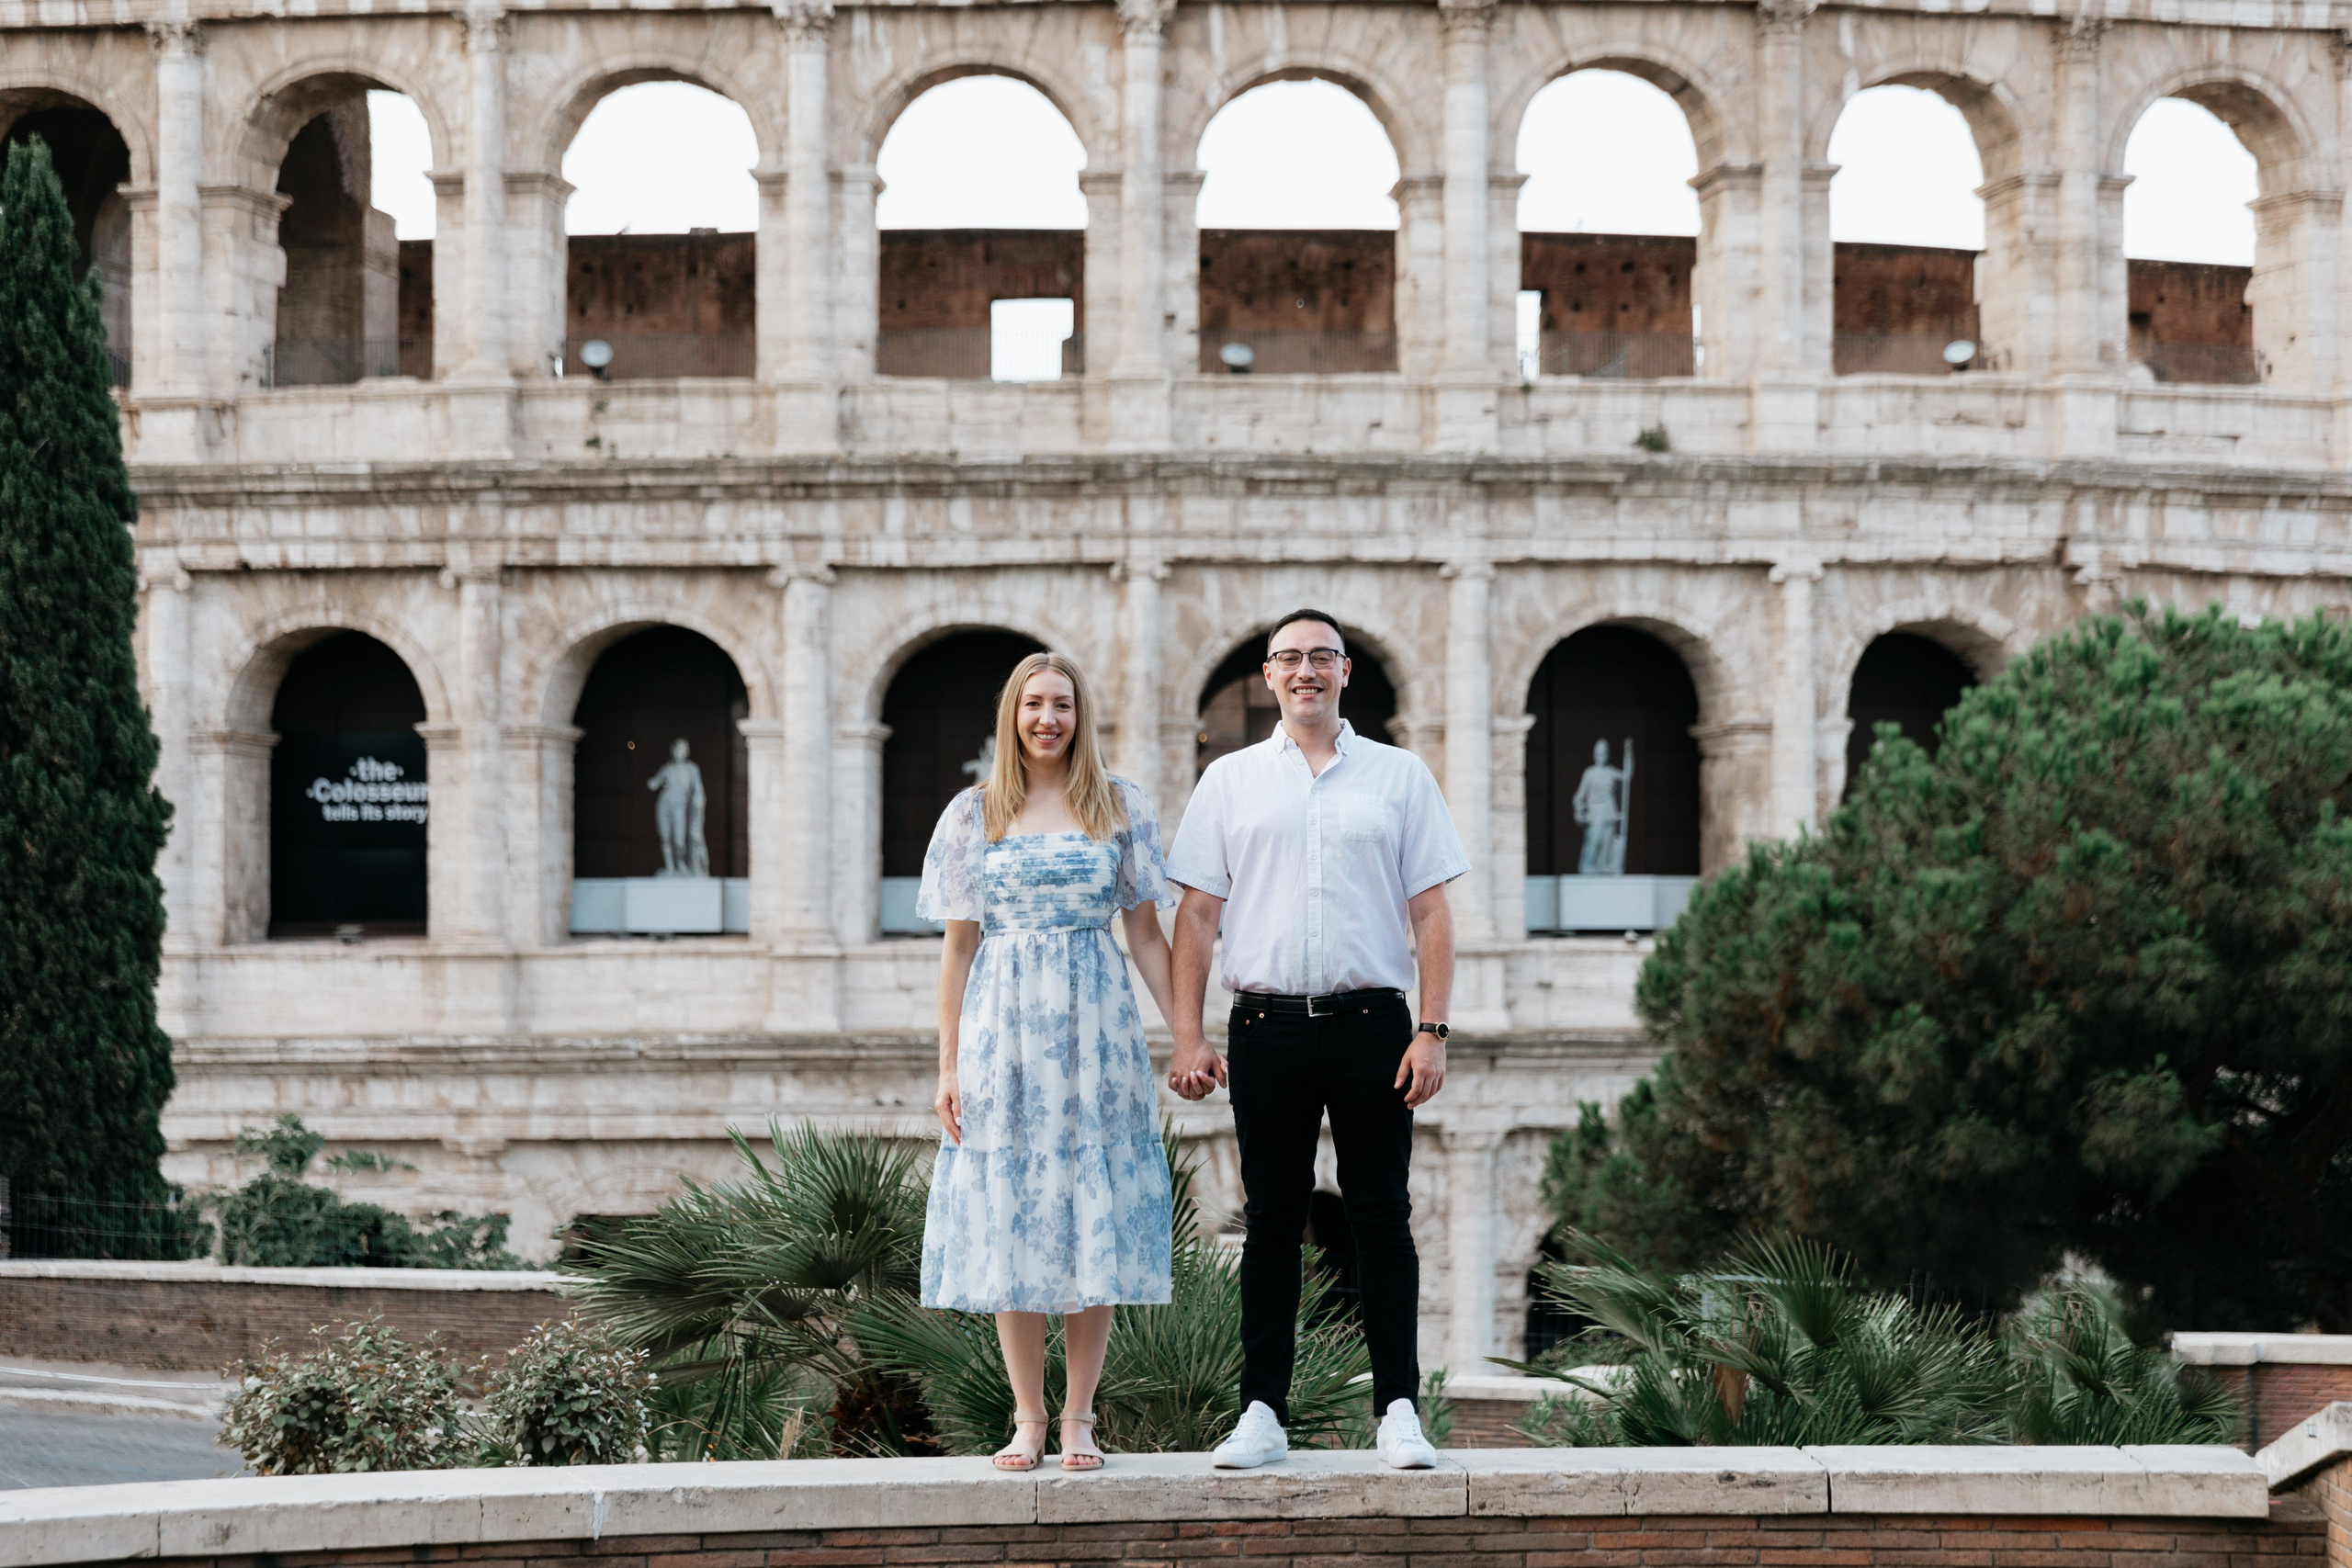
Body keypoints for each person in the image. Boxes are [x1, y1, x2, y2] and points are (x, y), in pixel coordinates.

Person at [1164, 608, 1466, 1472]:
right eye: (1290, 658)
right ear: (1268, 674)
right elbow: (1197, 915)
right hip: (1265, 1026)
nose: (1306, 670)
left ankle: (1399, 1409)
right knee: (1270, 1220)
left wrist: (1433, 1030)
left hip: (1375, 1024)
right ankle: (1262, 1410)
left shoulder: (1400, 776)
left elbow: (1432, 912)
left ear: (1344, 672)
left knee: (1382, 1216)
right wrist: (1186, 1036)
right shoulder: (1228, 780)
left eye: (1322, 657)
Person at [917, 650, 1181, 1473]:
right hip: (1004, 1037)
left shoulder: (1119, 805)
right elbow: (959, 948)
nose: (1047, 718)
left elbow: (1146, 935)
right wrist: (948, 1067)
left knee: (1090, 1212)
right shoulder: (973, 812)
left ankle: (1079, 1417)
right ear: (1013, 713)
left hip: (1096, 1034)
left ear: (1079, 714)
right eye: (1034, 704)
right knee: (1014, 1212)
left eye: (1062, 704)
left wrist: (1190, 1033)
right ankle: (1027, 1415)